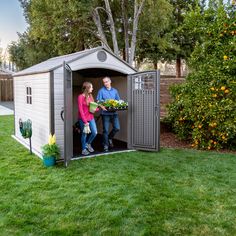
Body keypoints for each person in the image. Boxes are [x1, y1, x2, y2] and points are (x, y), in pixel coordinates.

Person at [97, 76, 120, 152]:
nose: (105, 83)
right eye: (104, 82)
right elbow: (98, 101)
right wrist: (101, 106)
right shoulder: (101, 91)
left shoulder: (115, 91)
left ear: (110, 81)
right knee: (105, 130)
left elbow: (118, 101)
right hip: (105, 113)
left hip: (114, 113)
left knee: (117, 128)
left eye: (106, 81)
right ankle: (105, 145)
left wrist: (118, 105)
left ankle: (110, 138)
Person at [78, 82, 99, 155]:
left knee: (95, 132)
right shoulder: (81, 97)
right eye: (91, 87)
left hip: (91, 117)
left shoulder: (90, 96)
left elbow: (92, 107)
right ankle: (83, 149)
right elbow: (80, 110)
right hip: (83, 119)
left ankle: (88, 143)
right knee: (84, 134)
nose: (92, 89)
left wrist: (97, 108)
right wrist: (85, 121)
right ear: (87, 88)